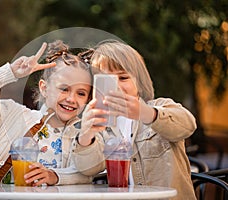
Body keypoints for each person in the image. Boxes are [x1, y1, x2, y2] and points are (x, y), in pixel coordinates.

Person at [0, 40, 103, 187]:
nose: (71, 99)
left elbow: (89, 172)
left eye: (81, 93)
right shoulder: (14, 115)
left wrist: (55, 176)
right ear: (44, 88)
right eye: (64, 89)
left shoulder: (86, 135)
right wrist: (10, 73)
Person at [75, 39, 197, 199]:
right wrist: (85, 136)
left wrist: (146, 113)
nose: (117, 86)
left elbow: (188, 125)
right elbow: (88, 168)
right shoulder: (102, 123)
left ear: (139, 83)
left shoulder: (160, 106)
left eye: (123, 78)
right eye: (106, 81)